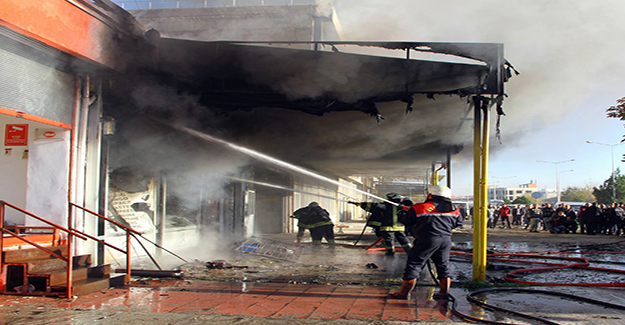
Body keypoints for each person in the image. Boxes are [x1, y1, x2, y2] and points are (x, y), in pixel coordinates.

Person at [390, 185, 463, 300]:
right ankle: (444, 293)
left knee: (414, 264)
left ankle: (403, 293)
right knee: (443, 265)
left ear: (430, 195)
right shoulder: (454, 209)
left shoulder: (419, 207)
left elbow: (406, 222)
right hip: (445, 240)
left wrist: (404, 213)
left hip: (427, 239)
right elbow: (458, 223)